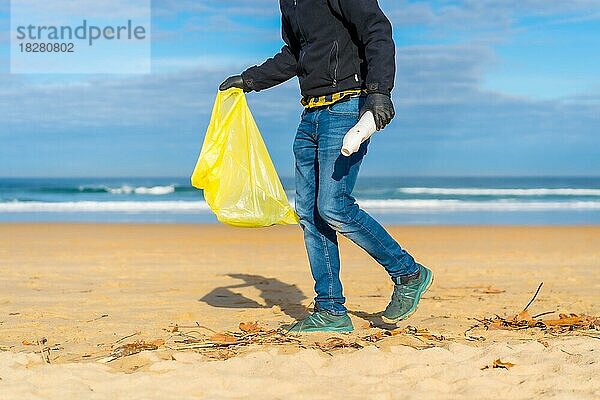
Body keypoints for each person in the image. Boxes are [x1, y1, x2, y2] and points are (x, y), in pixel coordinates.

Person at [220, 0, 433, 332]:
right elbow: (295, 54)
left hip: (347, 108)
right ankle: (331, 310)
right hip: (311, 115)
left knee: (334, 206)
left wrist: (380, 92)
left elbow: (377, 30)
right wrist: (250, 80)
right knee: (310, 215)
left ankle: (408, 273)